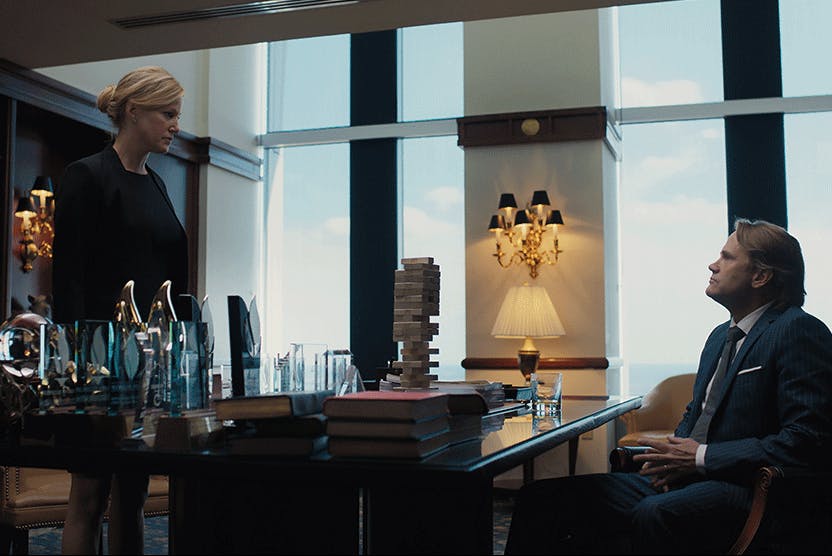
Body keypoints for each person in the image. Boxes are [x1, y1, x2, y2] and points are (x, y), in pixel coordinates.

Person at [504, 218, 832, 554]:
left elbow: (807, 440)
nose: (713, 265)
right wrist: (670, 459)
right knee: (541, 499)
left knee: (653, 513)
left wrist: (701, 457)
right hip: (690, 479)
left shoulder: (798, 330)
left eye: (727, 257)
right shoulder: (720, 336)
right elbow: (697, 413)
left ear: (761, 276)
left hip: (747, 488)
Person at [52, 66, 188, 555]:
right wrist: (80, 374)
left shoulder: (158, 184)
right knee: (89, 496)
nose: (175, 125)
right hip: (98, 363)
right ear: (133, 111)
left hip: (150, 365)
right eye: (167, 114)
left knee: (134, 495)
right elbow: (68, 282)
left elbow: (169, 282)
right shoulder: (87, 175)